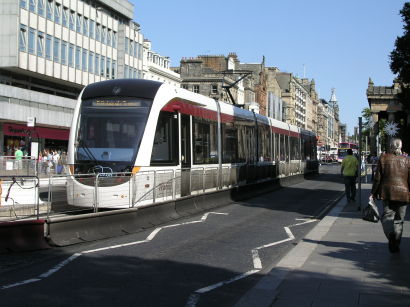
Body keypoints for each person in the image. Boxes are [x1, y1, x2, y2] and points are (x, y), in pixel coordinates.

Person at [371, 138, 410, 253]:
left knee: (387, 216)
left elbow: (377, 178)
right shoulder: (407, 160)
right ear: (401, 147)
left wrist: (373, 193)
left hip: (387, 193)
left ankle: (390, 235)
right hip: (403, 194)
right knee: (399, 220)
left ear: (390, 146)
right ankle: (396, 243)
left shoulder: (383, 159)